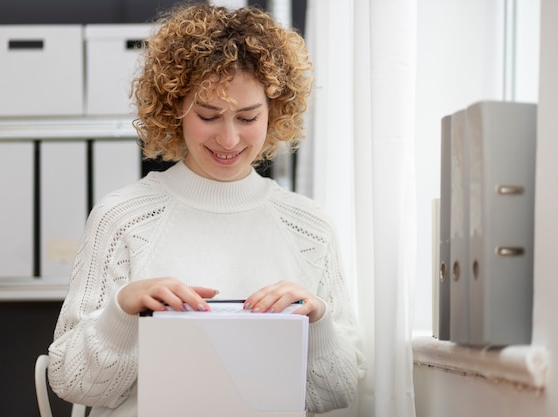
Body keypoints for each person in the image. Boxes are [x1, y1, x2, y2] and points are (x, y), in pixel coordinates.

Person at [48, 4, 365, 416]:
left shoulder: (311, 227)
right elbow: (71, 382)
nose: (229, 138)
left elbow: (340, 392)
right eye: (208, 115)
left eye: (248, 116)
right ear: (175, 107)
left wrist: (317, 321)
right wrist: (123, 309)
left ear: (275, 111)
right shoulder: (122, 216)